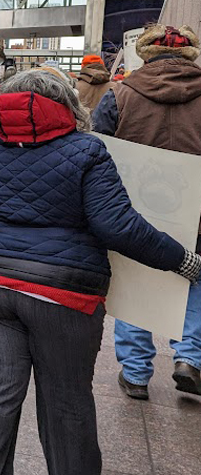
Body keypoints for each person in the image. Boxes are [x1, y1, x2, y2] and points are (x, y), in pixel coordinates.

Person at [0, 69, 201, 475]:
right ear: (67, 103)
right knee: (66, 399)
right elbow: (119, 226)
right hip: (63, 295)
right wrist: (183, 260)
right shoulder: (87, 150)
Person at [92, 24, 201, 399]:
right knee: (197, 282)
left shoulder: (120, 94)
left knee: (134, 286)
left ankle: (136, 373)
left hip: (136, 213)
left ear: (145, 54)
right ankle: (190, 358)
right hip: (198, 215)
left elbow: (97, 153)